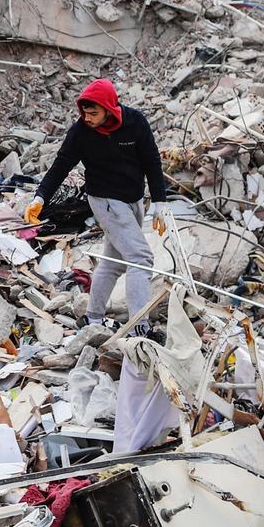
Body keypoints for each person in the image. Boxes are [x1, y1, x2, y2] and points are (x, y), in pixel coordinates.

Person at [24, 78, 169, 337]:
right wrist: (40, 197)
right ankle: (140, 329)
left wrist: (159, 201)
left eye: (94, 113)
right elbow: (61, 165)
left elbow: (152, 160)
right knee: (141, 258)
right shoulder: (81, 132)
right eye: (85, 113)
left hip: (134, 199)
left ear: (109, 109)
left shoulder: (135, 123)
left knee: (114, 262)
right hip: (104, 201)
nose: (88, 118)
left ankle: (93, 318)